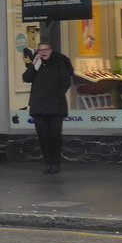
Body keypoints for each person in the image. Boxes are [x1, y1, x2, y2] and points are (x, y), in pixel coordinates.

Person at [21, 41, 74, 174]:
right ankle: (47, 163)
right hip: (39, 106)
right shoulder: (36, 64)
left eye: (46, 50)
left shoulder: (59, 63)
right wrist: (33, 65)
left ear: (51, 50)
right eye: (40, 50)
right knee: (43, 136)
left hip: (56, 106)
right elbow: (26, 78)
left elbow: (66, 81)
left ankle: (56, 163)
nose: (43, 52)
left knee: (55, 135)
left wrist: (57, 93)